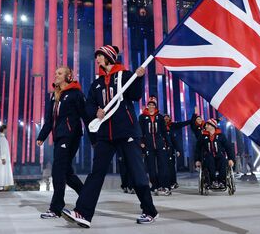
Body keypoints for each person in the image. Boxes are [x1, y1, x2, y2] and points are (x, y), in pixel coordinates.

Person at [62, 45, 158, 228]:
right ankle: (82, 212)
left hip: (128, 132)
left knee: (137, 174)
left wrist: (139, 77)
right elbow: (89, 105)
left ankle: (149, 210)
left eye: (100, 56)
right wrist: (95, 111)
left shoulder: (125, 76)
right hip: (105, 135)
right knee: (96, 173)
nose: (97, 59)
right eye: (97, 56)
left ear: (109, 57)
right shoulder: (96, 84)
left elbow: (136, 95)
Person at [36, 66, 91, 219]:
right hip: (59, 136)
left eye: (59, 73)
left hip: (71, 136)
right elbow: (49, 120)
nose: (56, 75)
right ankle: (88, 196)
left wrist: (93, 138)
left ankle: (55, 208)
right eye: (55, 73)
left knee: (58, 171)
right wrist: (42, 136)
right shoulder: (54, 95)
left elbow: (85, 116)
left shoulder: (76, 93)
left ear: (68, 76)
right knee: (66, 172)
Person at [139, 96, 171, 196]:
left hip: (160, 144)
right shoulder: (142, 117)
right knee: (151, 167)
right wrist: (141, 142)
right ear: (147, 106)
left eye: (153, 105)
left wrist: (168, 143)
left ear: (155, 106)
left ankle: (165, 186)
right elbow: (139, 131)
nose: (151, 106)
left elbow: (165, 132)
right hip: (148, 145)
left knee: (163, 166)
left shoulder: (160, 117)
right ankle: (155, 186)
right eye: (150, 105)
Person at [195, 118, 235, 189]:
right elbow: (197, 149)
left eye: (207, 125)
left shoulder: (221, 136)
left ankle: (221, 181)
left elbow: (228, 148)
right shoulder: (203, 136)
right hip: (208, 157)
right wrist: (197, 160)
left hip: (219, 156)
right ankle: (213, 181)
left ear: (212, 126)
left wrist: (231, 159)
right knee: (209, 158)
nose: (205, 126)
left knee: (223, 160)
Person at [163, 113, 186, 190]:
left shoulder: (172, 127)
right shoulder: (160, 128)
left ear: (170, 119)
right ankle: (165, 182)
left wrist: (178, 150)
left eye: (167, 117)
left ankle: (173, 182)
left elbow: (174, 141)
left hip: (170, 150)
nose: (166, 119)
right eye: (164, 118)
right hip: (162, 150)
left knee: (171, 167)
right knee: (163, 167)